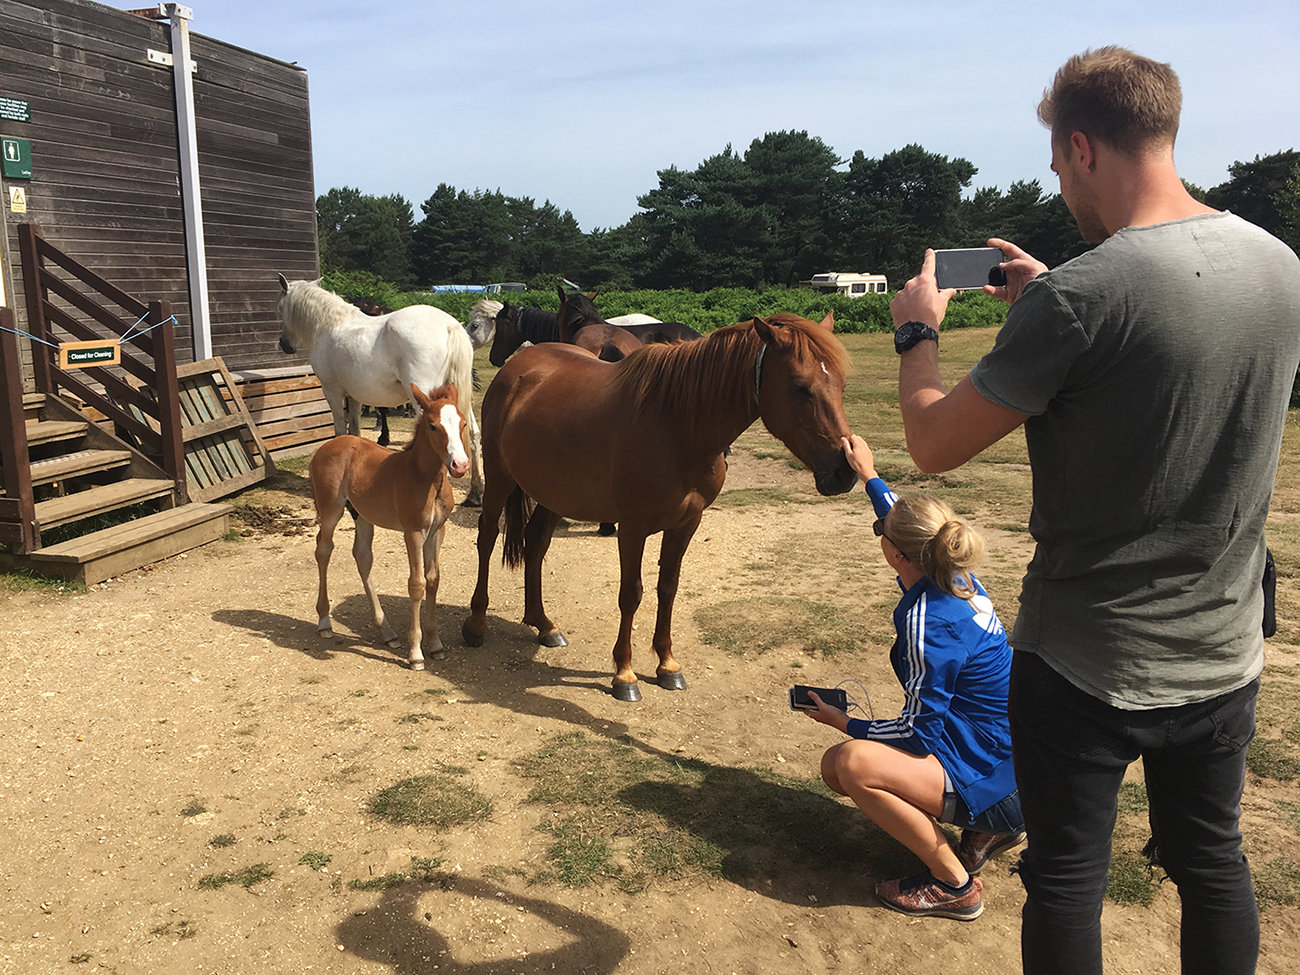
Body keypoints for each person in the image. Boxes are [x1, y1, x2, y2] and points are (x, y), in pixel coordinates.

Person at [888, 46, 1300, 974]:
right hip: (1224, 651)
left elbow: (930, 443)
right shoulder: (1281, 266)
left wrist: (918, 331)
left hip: (1085, 660)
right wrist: (1047, 306)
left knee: (1069, 878)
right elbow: (1161, 364)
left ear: (1081, 148)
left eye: (1055, 166)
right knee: (1213, 863)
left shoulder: (1081, 297)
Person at [805, 434, 1024, 921]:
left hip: (993, 772)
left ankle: (955, 885)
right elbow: (907, 525)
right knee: (835, 768)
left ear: (897, 555)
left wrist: (846, 723)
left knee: (850, 764)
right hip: (1015, 761)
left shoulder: (928, 622)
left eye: (881, 529)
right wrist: (869, 474)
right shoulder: (956, 573)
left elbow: (918, 730)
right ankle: (988, 829)